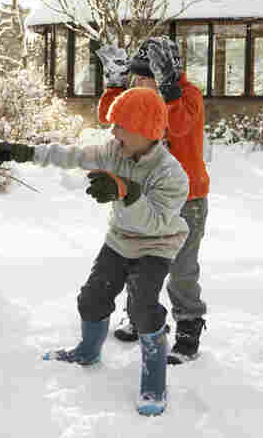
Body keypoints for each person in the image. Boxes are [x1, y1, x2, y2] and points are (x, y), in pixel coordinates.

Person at [0, 87, 189, 416]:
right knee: (92, 297)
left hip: (157, 245)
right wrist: (20, 151)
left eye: (121, 126)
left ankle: (154, 379)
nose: (113, 131)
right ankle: (87, 352)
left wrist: (125, 191)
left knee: (144, 307)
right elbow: (71, 154)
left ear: (146, 131)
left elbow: (157, 220)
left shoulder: (171, 174)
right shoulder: (113, 151)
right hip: (120, 240)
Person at [97, 37, 209, 365]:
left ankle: (188, 324)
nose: (144, 82)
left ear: (170, 72)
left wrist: (170, 87)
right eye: (138, 76)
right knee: (138, 258)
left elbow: (179, 124)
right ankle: (137, 314)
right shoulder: (139, 99)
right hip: (145, 197)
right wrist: (115, 85)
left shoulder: (187, 96)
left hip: (188, 199)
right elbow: (109, 117)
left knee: (182, 267)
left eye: (151, 76)